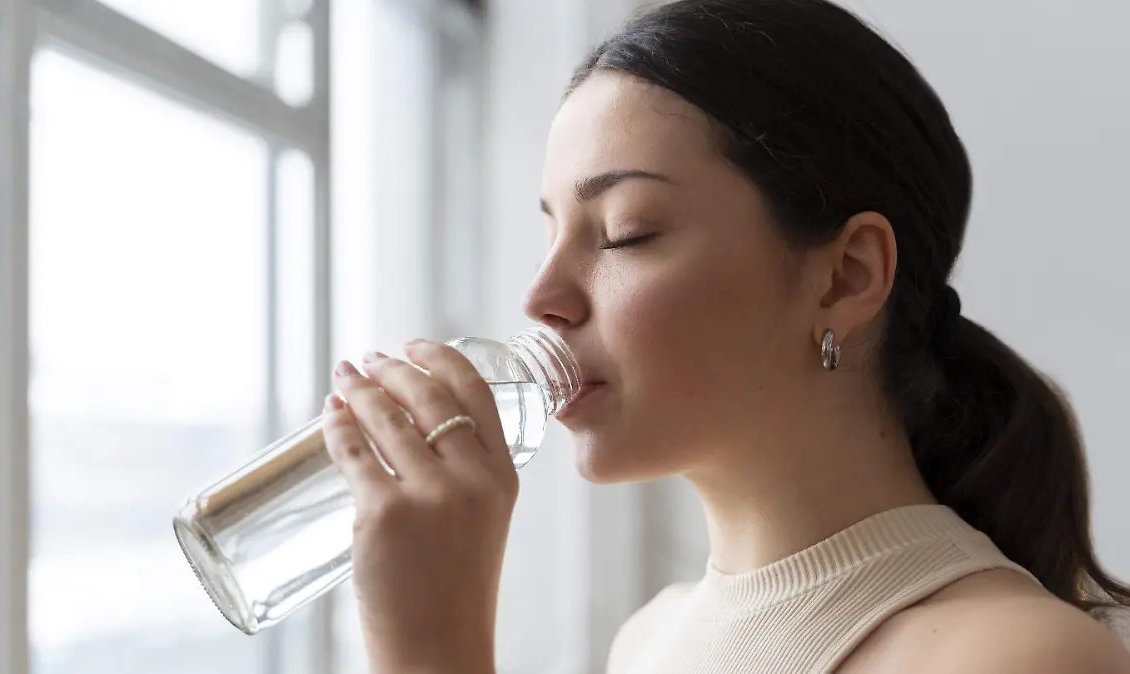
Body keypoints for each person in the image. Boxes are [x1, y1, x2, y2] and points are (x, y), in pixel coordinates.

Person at [319, 0, 1130, 671]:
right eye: (549, 236)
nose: (540, 298)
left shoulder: (1020, 656)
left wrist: (428, 647)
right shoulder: (646, 642)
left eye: (625, 232)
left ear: (847, 277)